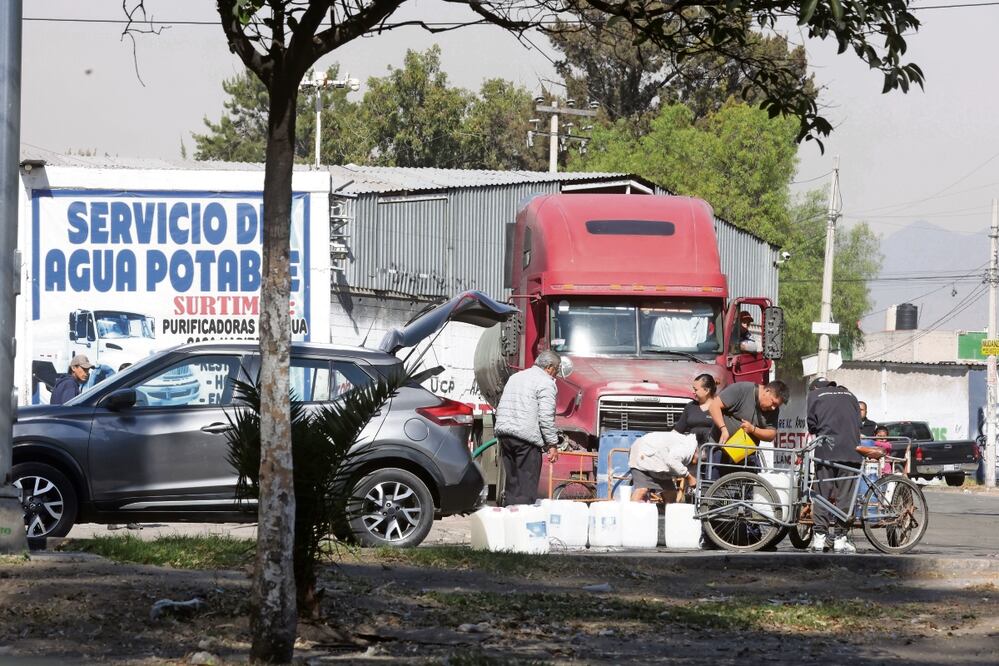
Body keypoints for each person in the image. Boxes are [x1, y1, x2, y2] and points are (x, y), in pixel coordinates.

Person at [494, 350, 561, 506]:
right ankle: (523, 524)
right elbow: (546, 417)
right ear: (549, 367)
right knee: (526, 487)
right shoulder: (546, 383)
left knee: (512, 485)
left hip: (505, 435)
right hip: (526, 440)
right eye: (556, 370)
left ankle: (509, 519)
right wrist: (552, 444)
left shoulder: (515, 377)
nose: (555, 375)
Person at [806, 377, 863, 553]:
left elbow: (812, 426)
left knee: (822, 494)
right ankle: (840, 538)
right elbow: (859, 423)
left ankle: (819, 538)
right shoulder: (851, 395)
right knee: (844, 495)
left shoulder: (815, 394)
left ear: (815, 387)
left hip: (826, 450)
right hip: (850, 451)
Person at [706, 379, 787, 479]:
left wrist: (753, 429)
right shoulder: (741, 389)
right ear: (767, 391)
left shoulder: (773, 410)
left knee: (749, 490)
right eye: (773, 403)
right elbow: (714, 406)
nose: (774, 408)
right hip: (720, 449)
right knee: (713, 488)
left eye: (777, 405)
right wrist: (723, 429)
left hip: (745, 455)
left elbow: (771, 434)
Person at [628, 430, 698, 502]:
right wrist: (688, 477)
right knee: (642, 490)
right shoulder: (687, 448)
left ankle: (667, 512)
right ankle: (629, 513)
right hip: (642, 454)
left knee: (670, 493)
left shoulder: (688, 446)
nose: (699, 462)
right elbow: (672, 461)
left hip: (657, 461)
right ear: (698, 451)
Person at [674, 373, 717, 445]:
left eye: (696, 389)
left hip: (712, 451)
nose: (693, 392)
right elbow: (677, 431)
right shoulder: (690, 406)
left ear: (706, 390)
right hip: (692, 450)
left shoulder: (719, 406)